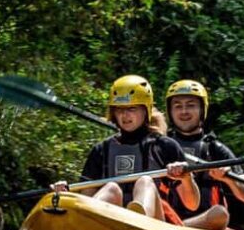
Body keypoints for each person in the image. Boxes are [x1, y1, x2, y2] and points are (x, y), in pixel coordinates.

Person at [52, 75, 199, 221]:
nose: (124, 115)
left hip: (155, 227)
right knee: (111, 188)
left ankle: (138, 221)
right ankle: (90, 228)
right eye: (119, 109)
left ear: (145, 110)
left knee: (145, 182)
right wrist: (66, 194)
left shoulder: (165, 146)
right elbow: (86, 198)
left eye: (132, 109)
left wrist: (185, 178)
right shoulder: (101, 150)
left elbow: (192, 204)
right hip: (113, 225)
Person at [165, 79, 244, 230]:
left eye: (191, 105)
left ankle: (175, 228)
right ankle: (169, 227)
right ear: (170, 111)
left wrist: (228, 179)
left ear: (202, 109)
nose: (184, 111)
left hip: (204, 225)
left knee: (220, 214)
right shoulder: (160, 146)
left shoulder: (215, 149)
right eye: (177, 106)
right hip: (166, 218)